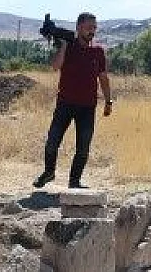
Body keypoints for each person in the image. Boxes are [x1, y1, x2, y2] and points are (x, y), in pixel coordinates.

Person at [36, 11, 113, 190]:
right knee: (52, 142)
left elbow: (103, 78)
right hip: (65, 103)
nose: (92, 31)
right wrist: (62, 47)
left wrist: (108, 102)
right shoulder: (68, 46)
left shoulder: (98, 51)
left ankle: (74, 182)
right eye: (88, 28)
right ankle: (49, 172)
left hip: (87, 107)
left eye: (94, 28)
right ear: (79, 27)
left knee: (83, 148)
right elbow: (55, 66)